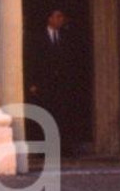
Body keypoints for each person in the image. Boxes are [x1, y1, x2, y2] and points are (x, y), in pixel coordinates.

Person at [25, 9, 84, 156]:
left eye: (62, 17)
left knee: (63, 115)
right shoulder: (37, 38)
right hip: (44, 85)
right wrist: (32, 83)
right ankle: (43, 150)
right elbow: (31, 60)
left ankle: (64, 148)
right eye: (58, 16)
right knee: (44, 115)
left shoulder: (67, 37)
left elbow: (73, 61)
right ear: (50, 18)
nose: (61, 19)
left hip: (63, 86)